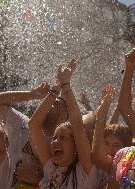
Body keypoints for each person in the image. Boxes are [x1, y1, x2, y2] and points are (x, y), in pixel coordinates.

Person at [29, 59, 97, 189]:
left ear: (76, 147)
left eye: (63, 137)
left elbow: (78, 127)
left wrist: (66, 85)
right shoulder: (51, 168)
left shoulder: (85, 171)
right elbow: (34, 125)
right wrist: (55, 91)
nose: (55, 141)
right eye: (54, 137)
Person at [92, 84, 133, 189]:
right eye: (106, 143)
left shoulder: (127, 167)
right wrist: (105, 105)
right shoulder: (91, 166)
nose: (110, 149)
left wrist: (102, 113)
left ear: (125, 147)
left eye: (116, 145)